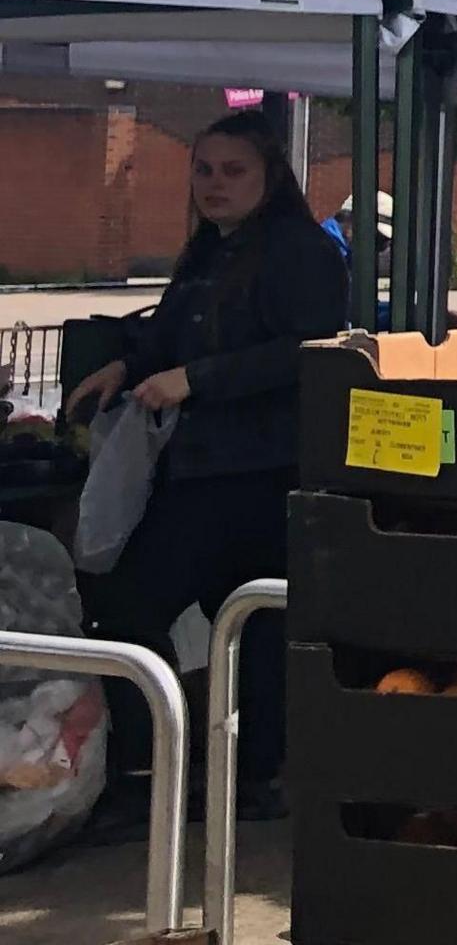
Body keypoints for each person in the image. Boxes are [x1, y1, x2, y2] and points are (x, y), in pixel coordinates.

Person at [64, 107, 348, 814]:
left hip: (261, 472)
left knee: (176, 609)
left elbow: (307, 349)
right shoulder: (209, 251)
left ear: (270, 176)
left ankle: (209, 764)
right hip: (197, 468)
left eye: (233, 171)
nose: (214, 185)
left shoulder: (299, 251)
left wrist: (197, 380)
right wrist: (128, 367)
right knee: (233, 623)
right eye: (203, 170)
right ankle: (203, 760)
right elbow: (175, 329)